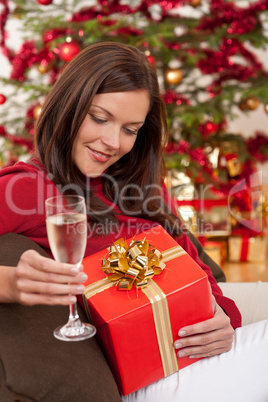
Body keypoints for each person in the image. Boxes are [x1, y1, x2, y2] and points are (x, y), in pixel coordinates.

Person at [0, 42, 267, 402]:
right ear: (68, 105)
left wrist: (225, 317)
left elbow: (199, 269)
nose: (113, 142)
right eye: (99, 118)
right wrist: (11, 283)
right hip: (148, 381)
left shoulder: (137, 184)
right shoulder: (26, 187)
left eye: (130, 129)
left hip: (198, 359)